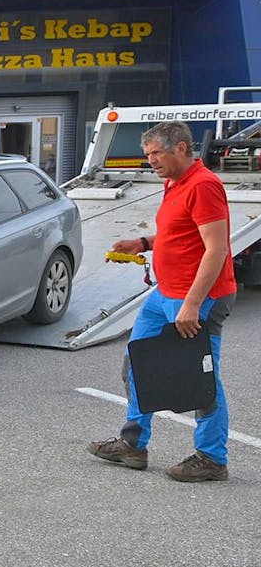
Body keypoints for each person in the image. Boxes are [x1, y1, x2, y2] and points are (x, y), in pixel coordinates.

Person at [88, 120, 237, 482]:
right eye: (148, 154)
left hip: (198, 298)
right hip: (165, 293)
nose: (151, 160)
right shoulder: (175, 182)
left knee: (198, 376)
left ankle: (212, 458)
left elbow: (215, 250)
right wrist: (143, 244)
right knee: (137, 362)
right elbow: (182, 233)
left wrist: (191, 304)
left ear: (181, 149)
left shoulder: (203, 186)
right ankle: (133, 445)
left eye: (157, 153)